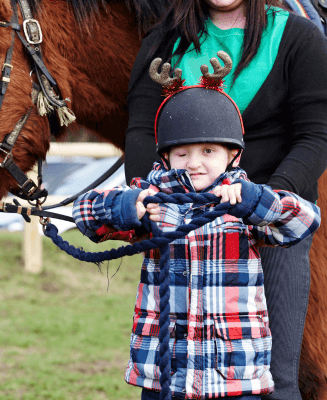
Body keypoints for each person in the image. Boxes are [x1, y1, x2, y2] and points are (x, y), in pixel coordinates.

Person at [72, 56, 321, 399]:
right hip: (166, 370)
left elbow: (304, 221)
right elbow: (84, 214)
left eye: (208, 150)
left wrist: (254, 202)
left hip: (233, 375)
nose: (195, 163)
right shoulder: (154, 199)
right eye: (182, 154)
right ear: (166, 159)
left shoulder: (244, 206)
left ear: (232, 156)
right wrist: (130, 209)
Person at [123, 1, 327, 399]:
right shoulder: (163, 40)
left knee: (280, 381)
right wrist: (153, 194)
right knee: (176, 380)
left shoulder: (298, 38)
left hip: (272, 224)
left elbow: (316, 133)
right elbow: (141, 130)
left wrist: (268, 198)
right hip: (188, 229)